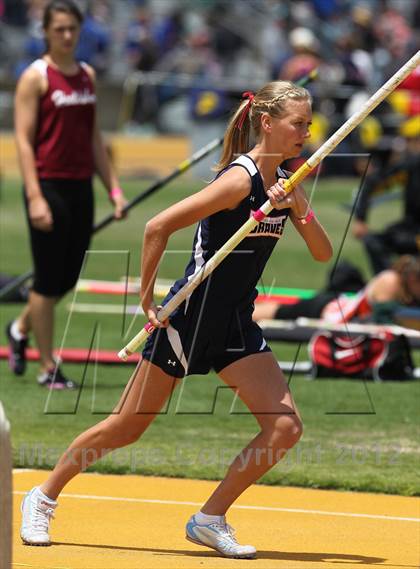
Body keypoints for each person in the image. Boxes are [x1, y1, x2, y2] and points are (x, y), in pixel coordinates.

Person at [20, 81, 332, 558]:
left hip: (235, 323)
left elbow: (322, 253)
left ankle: (210, 519)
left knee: (285, 427)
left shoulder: (286, 182)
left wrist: (298, 204)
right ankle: (42, 498)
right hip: (189, 319)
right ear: (267, 123)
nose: (305, 133)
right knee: (126, 427)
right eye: (297, 123)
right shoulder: (238, 181)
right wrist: (147, 299)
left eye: (309, 125)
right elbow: (156, 226)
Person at [6, 0, 126, 389]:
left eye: (72, 28)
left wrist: (113, 188)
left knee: (68, 278)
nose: (67, 36)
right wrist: (35, 196)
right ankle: (47, 367)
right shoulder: (35, 77)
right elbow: (23, 142)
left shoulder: (87, 75)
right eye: (59, 29)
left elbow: (94, 139)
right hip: (47, 185)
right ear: (46, 31)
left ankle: (19, 326)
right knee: (46, 279)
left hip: (80, 187)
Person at [253, 255, 420, 325]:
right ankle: (240, 315)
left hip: (335, 307)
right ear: (413, 279)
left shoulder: (398, 282)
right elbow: (383, 321)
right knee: (281, 312)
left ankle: (243, 312)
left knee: (282, 310)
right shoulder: (391, 281)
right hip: (329, 310)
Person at [352, 130, 420, 275]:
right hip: (411, 230)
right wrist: (360, 219)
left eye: (411, 141)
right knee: (372, 241)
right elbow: (372, 183)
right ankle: (392, 283)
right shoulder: (411, 166)